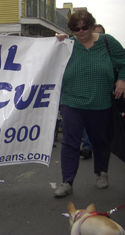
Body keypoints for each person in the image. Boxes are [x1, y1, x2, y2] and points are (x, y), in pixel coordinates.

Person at [54, 11, 125, 197]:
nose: (80, 31)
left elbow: (124, 61)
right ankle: (67, 182)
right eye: (75, 28)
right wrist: (56, 41)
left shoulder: (107, 42)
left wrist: (122, 80)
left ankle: (101, 172)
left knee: (100, 141)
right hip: (71, 101)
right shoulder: (68, 44)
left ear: (92, 26)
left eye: (84, 27)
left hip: (100, 102)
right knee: (70, 142)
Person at [80, 24, 106, 160]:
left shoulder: (107, 49)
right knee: (86, 122)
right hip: (84, 96)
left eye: (101, 34)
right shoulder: (81, 49)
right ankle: (87, 147)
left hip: (102, 96)